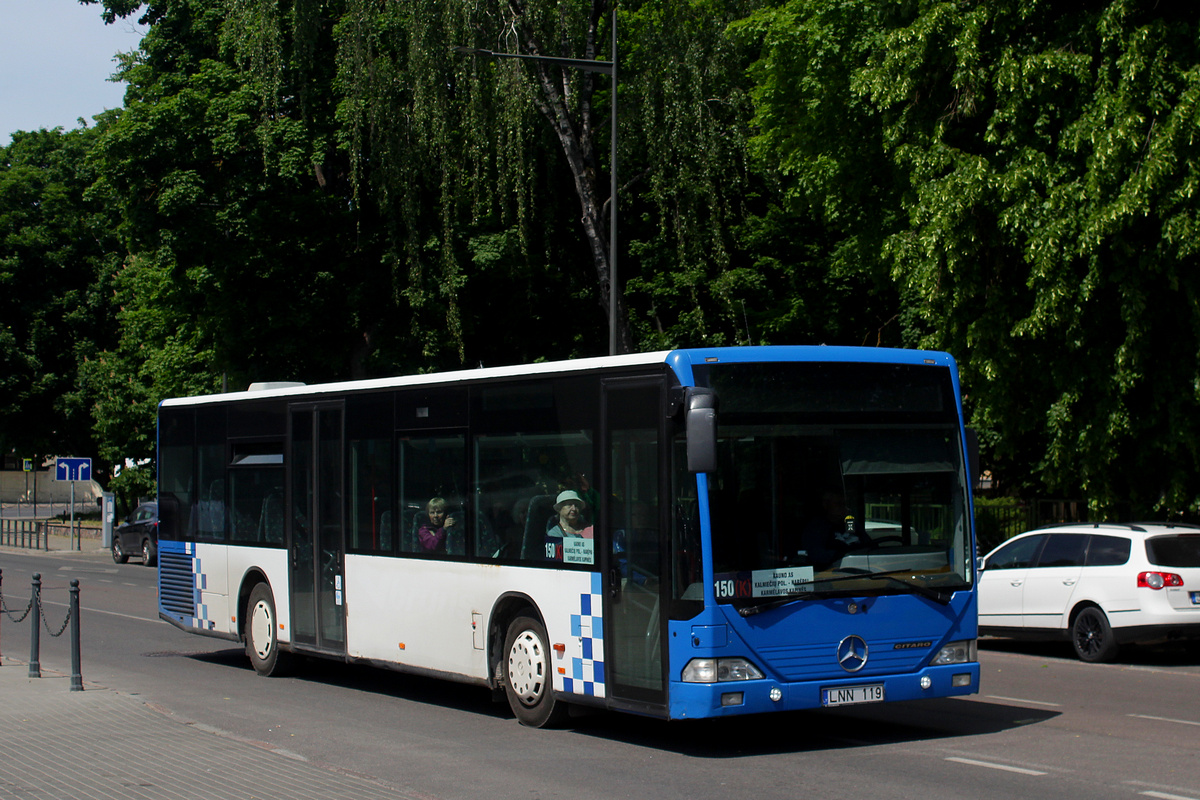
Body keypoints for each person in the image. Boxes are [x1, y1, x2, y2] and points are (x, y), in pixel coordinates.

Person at [799, 490, 869, 569]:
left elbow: (870, 545)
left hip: (863, 569)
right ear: (825, 505)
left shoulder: (851, 524)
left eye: (845, 504)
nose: (844, 508)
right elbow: (817, 556)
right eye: (839, 504)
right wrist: (845, 555)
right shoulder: (816, 528)